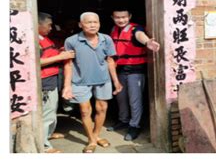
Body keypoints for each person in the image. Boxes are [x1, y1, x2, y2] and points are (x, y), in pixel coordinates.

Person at [62, 12, 122, 153]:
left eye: (96, 22)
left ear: (99, 23)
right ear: (80, 25)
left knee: (102, 108)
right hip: (80, 81)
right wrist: (67, 86)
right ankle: (91, 139)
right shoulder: (71, 40)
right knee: (84, 111)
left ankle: (95, 136)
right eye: (89, 22)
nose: (93, 25)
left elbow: (110, 60)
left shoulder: (106, 39)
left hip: (103, 79)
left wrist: (116, 81)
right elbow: (68, 64)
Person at [107, 8, 160, 140]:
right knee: (121, 98)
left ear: (129, 16)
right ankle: (123, 120)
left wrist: (148, 42)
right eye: (117, 17)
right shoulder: (113, 30)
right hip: (119, 70)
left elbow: (140, 36)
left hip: (135, 71)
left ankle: (135, 125)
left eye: (124, 17)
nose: (121, 20)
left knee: (134, 100)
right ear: (112, 18)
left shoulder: (136, 29)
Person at [38, 12, 75, 153]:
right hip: (45, 81)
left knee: (52, 110)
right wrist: (61, 56)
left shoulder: (44, 38)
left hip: (52, 79)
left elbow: (49, 54)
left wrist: (59, 53)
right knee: (47, 112)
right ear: (38, 24)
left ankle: (47, 134)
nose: (51, 28)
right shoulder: (35, 40)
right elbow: (37, 62)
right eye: (49, 25)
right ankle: (44, 146)